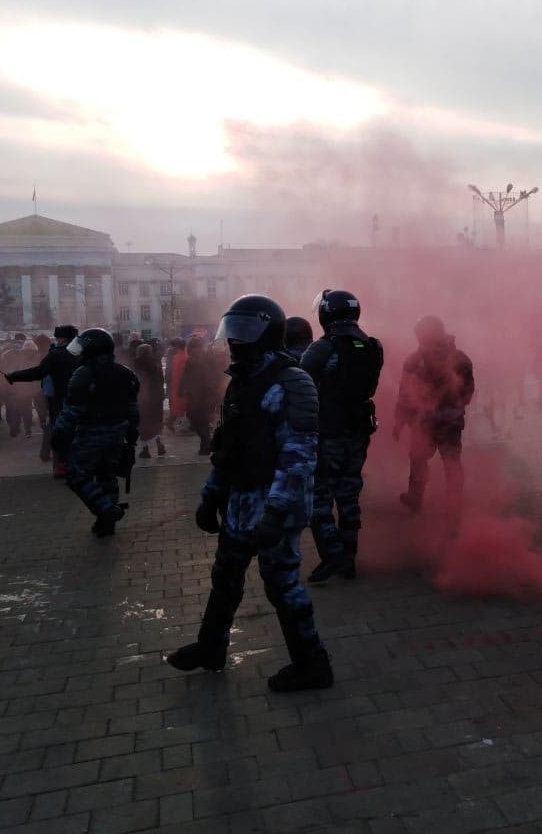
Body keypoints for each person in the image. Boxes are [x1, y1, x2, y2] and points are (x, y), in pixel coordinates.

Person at [167, 294, 333, 692]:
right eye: (233, 332)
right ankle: (211, 647)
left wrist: (275, 511)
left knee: (282, 585)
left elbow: (298, 456)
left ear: (267, 333)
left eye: (244, 333)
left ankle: (313, 665)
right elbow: (229, 448)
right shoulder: (241, 381)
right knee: (225, 576)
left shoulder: (293, 382)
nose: (235, 341)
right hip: (241, 500)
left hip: (276, 503)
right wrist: (211, 496)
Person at [300, 289, 384, 583]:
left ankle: (333, 557)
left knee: (319, 497)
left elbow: (301, 387)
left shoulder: (322, 348)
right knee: (349, 494)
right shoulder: (373, 345)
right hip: (358, 430)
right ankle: (348, 559)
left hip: (328, 431)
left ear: (326, 314)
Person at [50, 328, 140, 538]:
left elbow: (72, 410)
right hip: (118, 434)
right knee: (107, 476)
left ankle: (106, 511)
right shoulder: (126, 373)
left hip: (90, 434)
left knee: (75, 475)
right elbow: (133, 410)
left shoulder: (84, 374)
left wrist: (58, 435)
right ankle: (105, 523)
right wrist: (132, 438)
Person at [393, 315, 474, 519]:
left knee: (418, 460)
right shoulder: (461, 358)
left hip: (423, 423)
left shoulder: (414, 360)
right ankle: (454, 505)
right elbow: (469, 390)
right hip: (451, 422)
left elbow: (404, 394)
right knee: (452, 462)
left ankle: (415, 498)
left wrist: (400, 420)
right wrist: (455, 409)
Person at [5, 325, 80, 476]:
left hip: (60, 400)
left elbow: (38, 372)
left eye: (58, 338)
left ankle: (60, 467)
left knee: (59, 433)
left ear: (62, 339)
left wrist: (14, 376)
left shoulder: (56, 355)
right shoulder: (85, 353)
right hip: (83, 401)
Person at [180, 336, 222, 454]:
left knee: (197, 421)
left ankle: (206, 445)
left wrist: (181, 390)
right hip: (209, 394)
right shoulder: (210, 356)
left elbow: (185, 377)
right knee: (203, 420)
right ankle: (208, 443)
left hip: (197, 396)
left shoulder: (191, 359)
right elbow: (217, 373)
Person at [133, 343, 166, 458]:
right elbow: (162, 379)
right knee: (157, 422)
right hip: (157, 397)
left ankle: (145, 450)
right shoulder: (156, 362)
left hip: (145, 398)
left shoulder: (138, 363)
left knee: (144, 424)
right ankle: (160, 445)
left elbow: (138, 381)